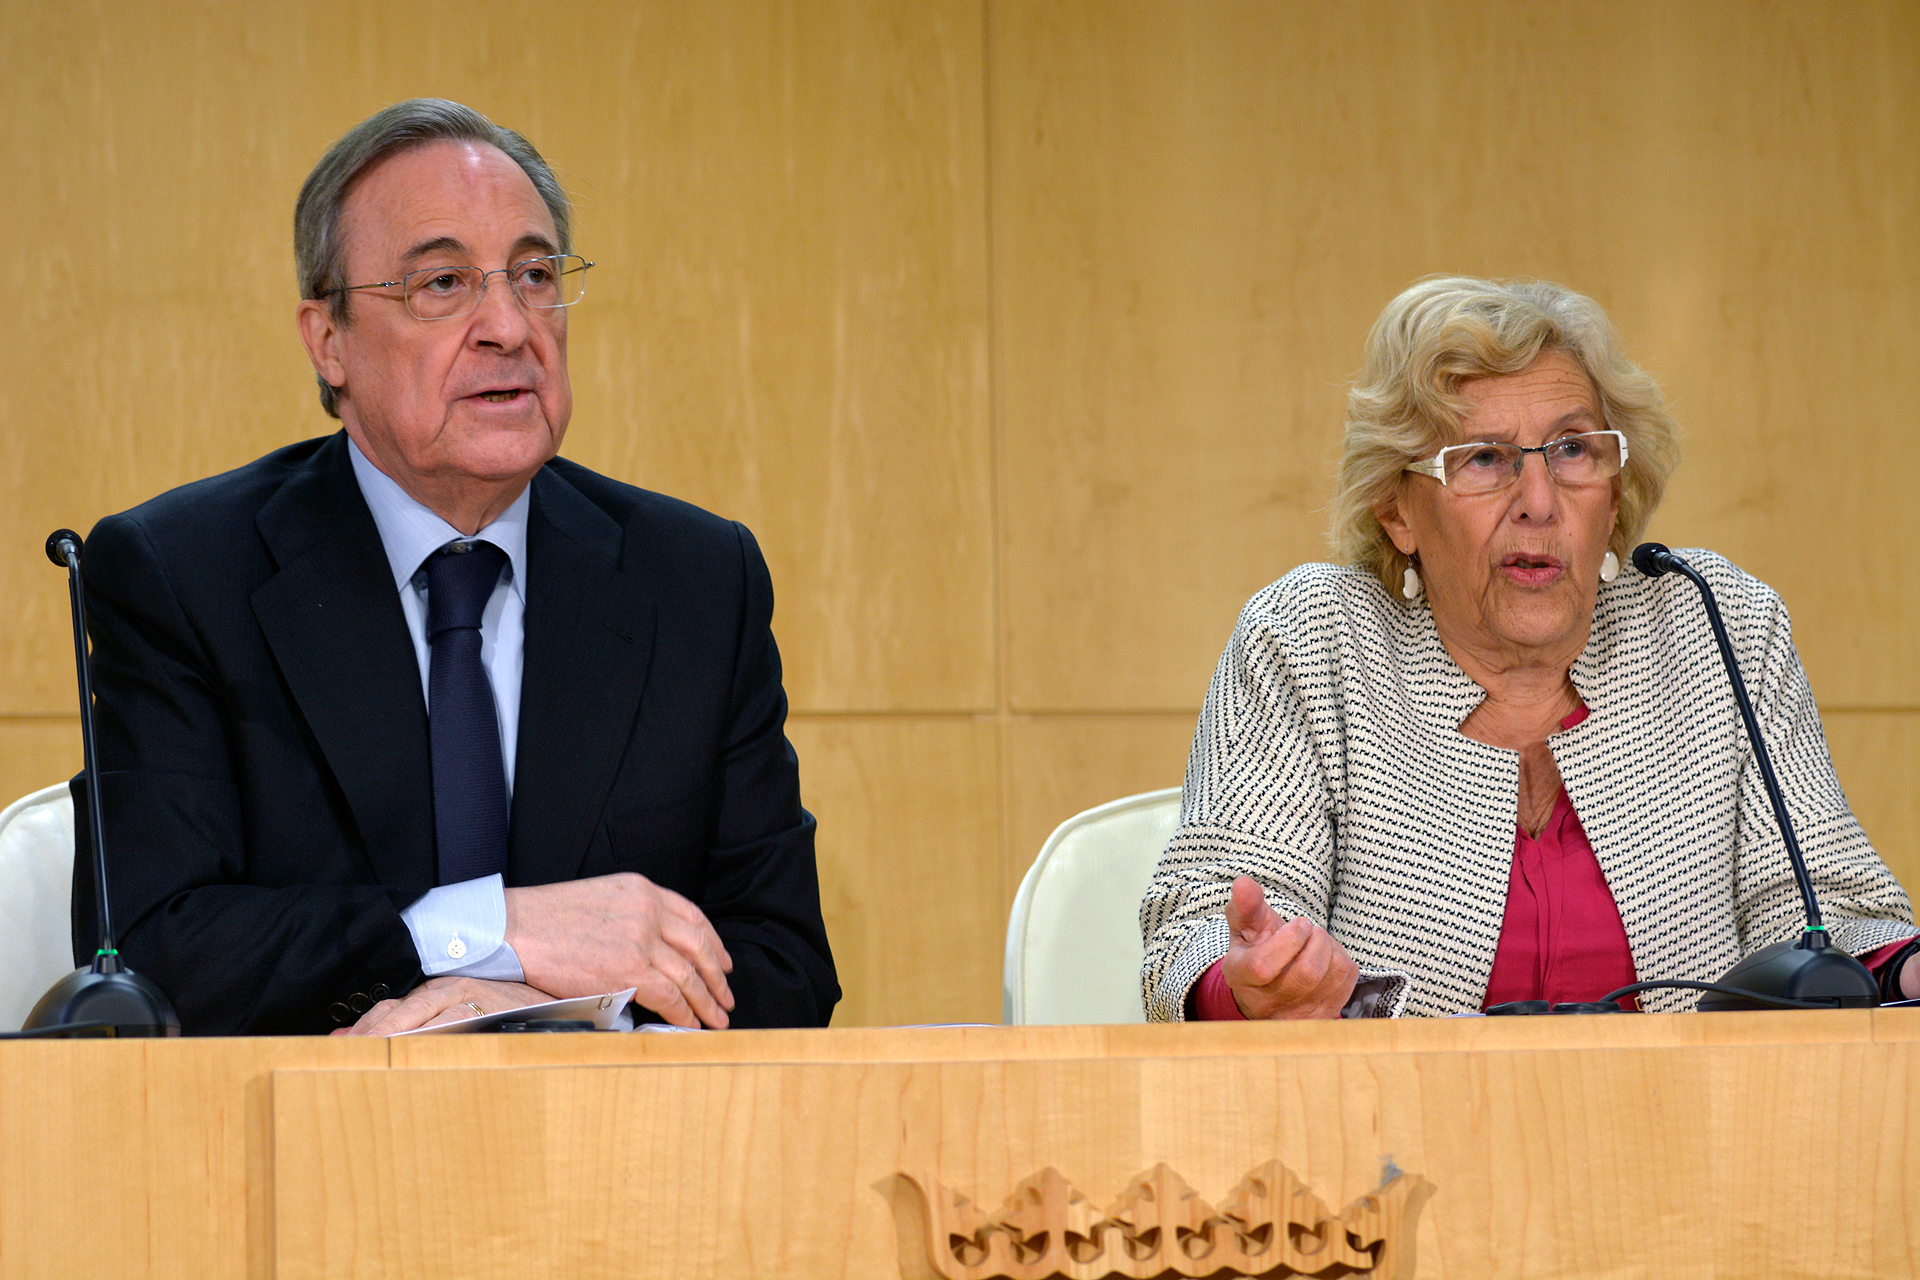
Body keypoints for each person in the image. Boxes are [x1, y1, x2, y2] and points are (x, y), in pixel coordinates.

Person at [71, 99, 839, 1036]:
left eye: (535, 275)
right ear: (327, 340)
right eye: (442, 283)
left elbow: (785, 968)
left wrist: (543, 1007)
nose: (508, 326)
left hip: (615, 1126)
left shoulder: (697, 581)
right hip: (314, 1123)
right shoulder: (182, 577)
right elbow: (149, 955)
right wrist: (491, 932)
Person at [1140, 276, 1919, 1020]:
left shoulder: (1717, 624)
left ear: (1615, 492)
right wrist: (1258, 985)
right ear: (1397, 510)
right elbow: (1199, 924)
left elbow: (1830, 915)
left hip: (1700, 1110)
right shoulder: (1314, 637)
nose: (1540, 504)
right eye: (1484, 458)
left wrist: (1903, 967)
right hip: (1395, 1113)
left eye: (1573, 450)